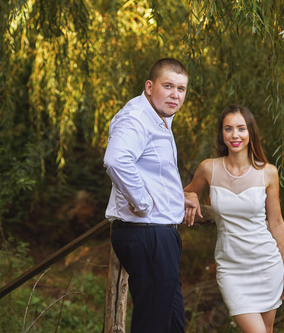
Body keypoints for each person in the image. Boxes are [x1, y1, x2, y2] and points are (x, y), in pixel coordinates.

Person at [184, 104, 284, 333]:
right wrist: (193, 195)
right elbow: (186, 192)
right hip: (231, 267)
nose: (235, 135)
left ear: (250, 133)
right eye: (228, 129)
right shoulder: (208, 168)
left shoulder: (268, 172)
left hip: (266, 264)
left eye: (241, 128)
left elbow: (276, 223)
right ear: (221, 134)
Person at [103, 58, 195, 333]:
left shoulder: (159, 119)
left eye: (181, 89)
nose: (175, 95)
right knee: (153, 325)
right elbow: (116, 160)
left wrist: (180, 197)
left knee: (172, 323)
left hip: (158, 235)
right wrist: (143, 202)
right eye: (168, 86)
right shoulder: (137, 117)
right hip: (147, 233)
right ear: (149, 86)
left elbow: (154, 172)